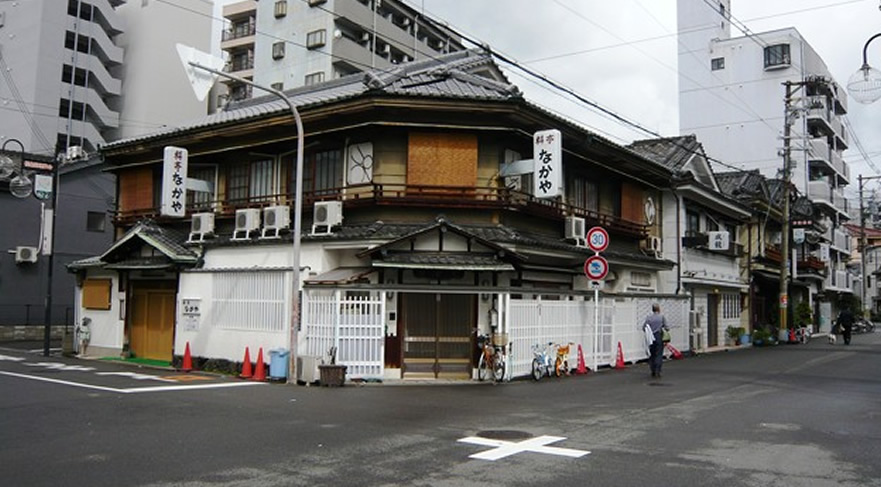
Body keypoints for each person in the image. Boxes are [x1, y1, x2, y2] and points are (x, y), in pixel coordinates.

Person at [642, 303, 668, 378]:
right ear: (658, 309)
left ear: (652, 309)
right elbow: (667, 327)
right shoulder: (662, 317)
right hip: (658, 336)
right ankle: (658, 370)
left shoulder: (649, 317)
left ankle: (652, 370)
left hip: (650, 337)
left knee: (652, 354)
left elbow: (644, 327)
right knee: (659, 354)